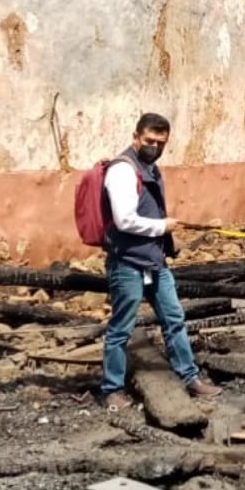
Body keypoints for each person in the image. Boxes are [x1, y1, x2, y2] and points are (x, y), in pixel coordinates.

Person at [100, 113, 221, 410]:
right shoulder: (123, 171)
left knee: (174, 318)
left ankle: (190, 377)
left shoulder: (150, 169)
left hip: (154, 262)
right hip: (127, 263)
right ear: (136, 136)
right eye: (149, 140)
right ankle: (112, 389)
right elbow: (124, 219)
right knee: (121, 328)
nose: (154, 146)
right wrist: (162, 227)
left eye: (160, 142)